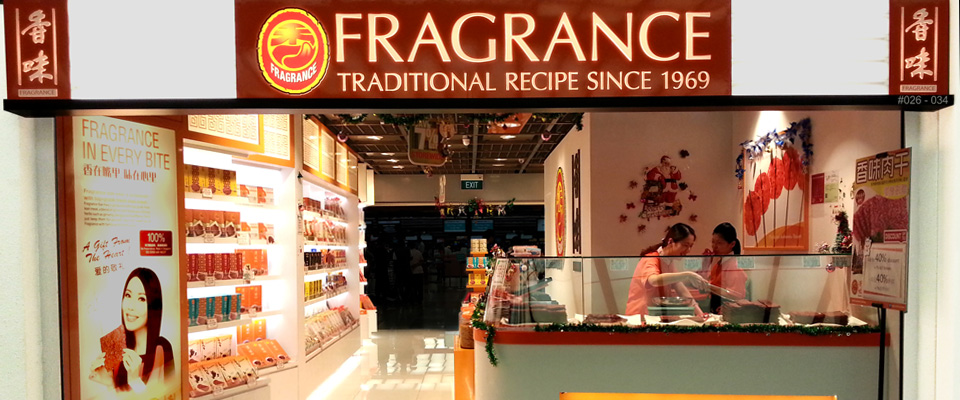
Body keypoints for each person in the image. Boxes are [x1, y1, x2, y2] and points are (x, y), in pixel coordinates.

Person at [90, 268, 175, 394]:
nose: (130, 306)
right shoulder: (118, 348)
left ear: (153, 306)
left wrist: (136, 382)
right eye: (128, 295)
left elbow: (170, 396)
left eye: (141, 299)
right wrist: (109, 382)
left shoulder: (162, 348)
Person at [625, 223, 708, 316]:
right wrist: (688, 275)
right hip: (640, 316)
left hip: (656, 315)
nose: (688, 250)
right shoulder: (651, 259)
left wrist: (701, 314)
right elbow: (654, 280)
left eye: (690, 246)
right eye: (685, 245)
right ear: (670, 241)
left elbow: (681, 289)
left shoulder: (668, 261)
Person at [706, 223, 748, 313]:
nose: (714, 246)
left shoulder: (734, 266)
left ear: (732, 244)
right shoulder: (720, 262)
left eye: (719, 243)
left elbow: (736, 296)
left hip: (728, 311)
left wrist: (708, 286)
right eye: (713, 242)